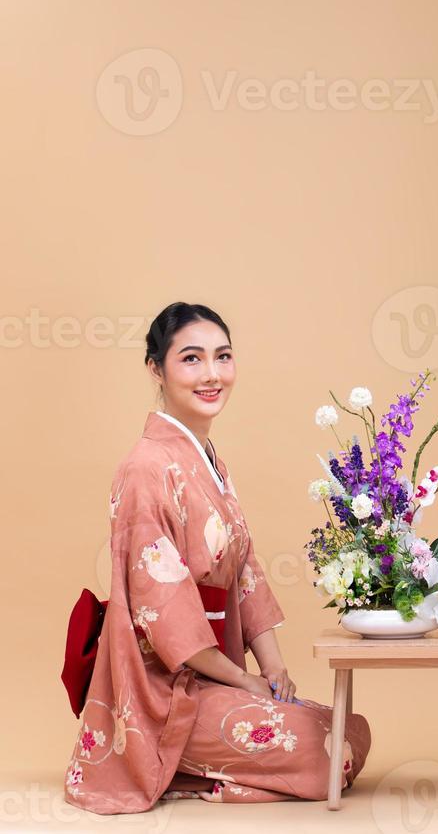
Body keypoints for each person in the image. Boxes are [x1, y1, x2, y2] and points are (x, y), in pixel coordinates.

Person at [63, 302, 371, 813]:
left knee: (347, 726)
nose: (212, 375)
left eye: (222, 357)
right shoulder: (146, 467)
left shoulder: (210, 463)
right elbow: (167, 619)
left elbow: (243, 573)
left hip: (212, 675)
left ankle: (202, 764)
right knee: (326, 750)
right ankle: (169, 761)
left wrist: (273, 670)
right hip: (165, 689)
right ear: (155, 369)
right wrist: (247, 681)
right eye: (191, 359)